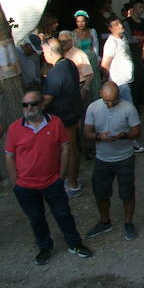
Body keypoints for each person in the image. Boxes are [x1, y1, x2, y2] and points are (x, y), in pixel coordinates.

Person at [5, 89, 93, 264]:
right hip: (26, 186)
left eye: (33, 104)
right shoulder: (14, 128)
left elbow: (66, 147)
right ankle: (44, 248)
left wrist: (61, 174)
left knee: (63, 214)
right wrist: (16, 183)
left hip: (52, 181)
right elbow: (9, 155)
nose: (28, 108)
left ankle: (74, 244)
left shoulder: (55, 123)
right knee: (36, 219)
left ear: (42, 104)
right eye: (25, 105)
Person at [82, 82, 141, 241]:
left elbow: (136, 131)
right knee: (101, 193)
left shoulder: (128, 108)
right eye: (107, 101)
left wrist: (125, 135)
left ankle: (128, 222)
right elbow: (87, 132)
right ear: (101, 93)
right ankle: (104, 220)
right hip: (102, 158)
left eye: (114, 101)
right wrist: (98, 137)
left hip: (125, 157)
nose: (110, 104)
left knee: (127, 192)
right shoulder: (93, 108)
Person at [41, 38, 85, 197]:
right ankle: (74, 178)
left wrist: (35, 108)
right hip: (73, 110)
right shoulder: (69, 63)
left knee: (69, 149)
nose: (43, 54)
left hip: (65, 115)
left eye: (44, 51)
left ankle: (72, 184)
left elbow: (47, 98)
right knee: (72, 147)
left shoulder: (56, 71)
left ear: (50, 52)